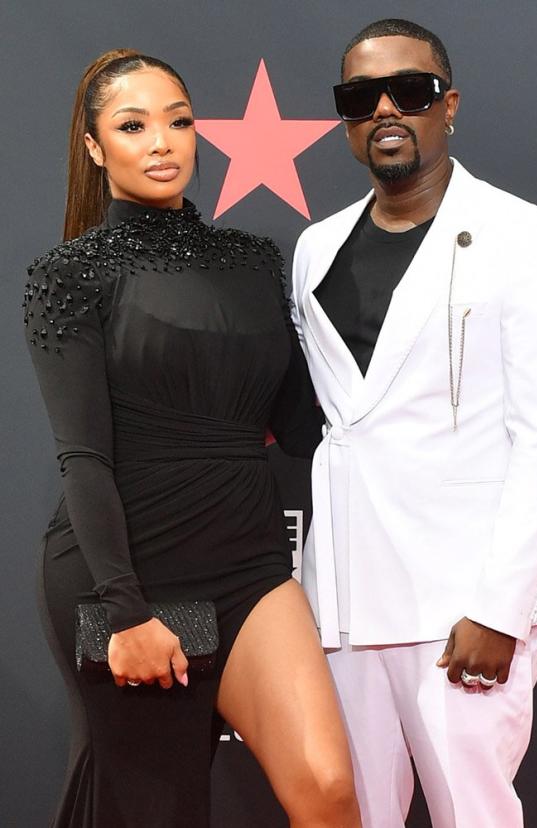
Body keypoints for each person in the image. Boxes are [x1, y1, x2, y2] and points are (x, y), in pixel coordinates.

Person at [23, 49, 361, 827]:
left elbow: (304, 424)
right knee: (158, 810)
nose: (162, 141)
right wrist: (125, 612)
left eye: (178, 121)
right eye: (132, 125)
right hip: (131, 569)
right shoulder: (68, 275)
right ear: (93, 146)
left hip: (248, 562)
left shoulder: (252, 259)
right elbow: (83, 455)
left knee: (328, 786)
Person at [292, 19, 537, 827]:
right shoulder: (315, 249)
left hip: (465, 599)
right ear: (347, 120)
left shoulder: (526, 235)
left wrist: (499, 605)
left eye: (411, 91)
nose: (386, 109)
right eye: (361, 97)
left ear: (447, 104)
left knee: (474, 814)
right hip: (346, 597)